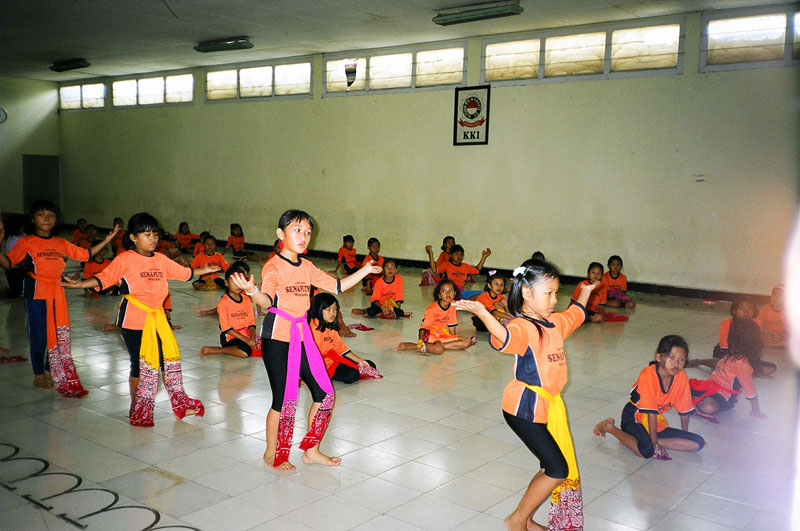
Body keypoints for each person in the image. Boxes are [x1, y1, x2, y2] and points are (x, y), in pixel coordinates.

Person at [229, 209, 382, 470]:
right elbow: (266, 300)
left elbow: (336, 286)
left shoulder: (307, 266)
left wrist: (365, 270)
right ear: (281, 234)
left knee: (325, 394)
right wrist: (252, 291)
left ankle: (311, 450)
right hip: (277, 337)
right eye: (297, 230)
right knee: (282, 399)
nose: (303, 237)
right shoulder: (274, 265)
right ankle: (270, 450)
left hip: (302, 336)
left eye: (308, 232)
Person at [454, 259, 595, 531]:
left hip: (545, 407)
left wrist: (586, 292)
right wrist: (484, 314)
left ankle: (525, 519)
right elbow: (505, 337)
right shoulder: (523, 326)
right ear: (527, 294)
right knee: (557, 469)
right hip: (524, 409)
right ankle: (517, 520)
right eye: (548, 293)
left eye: (556, 292)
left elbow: (576, 313)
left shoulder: (554, 321)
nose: (555, 299)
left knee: (549, 465)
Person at [61, 212, 219, 426]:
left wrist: (205, 269)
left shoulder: (161, 259)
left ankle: (179, 406)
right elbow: (103, 278)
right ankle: (137, 407)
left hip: (158, 319)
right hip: (133, 319)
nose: (152, 238)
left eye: (155, 234)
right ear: (133, 238)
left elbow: (185, 273)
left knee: (166, 362)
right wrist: (79, 284)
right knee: (140, 364)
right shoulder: (125, 259)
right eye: (146, 234)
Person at [0, 200, 118, 395]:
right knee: (39, 335)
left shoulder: (61, 243)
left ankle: (49, 367)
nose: (46, 218)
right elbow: (8, 262)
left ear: (56, 220)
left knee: (56, 332)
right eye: (41, 214)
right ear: (33, 219)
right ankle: (38, 373)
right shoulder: (26, 242)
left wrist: (107, 240)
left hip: (57, 294)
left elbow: (86, 255)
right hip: (36, 292)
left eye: (51, 215)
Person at [593, 335, 705, 461]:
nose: (676, 364)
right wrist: (654, 444)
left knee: (698, 443)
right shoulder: (648, 375)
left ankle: (634, 439)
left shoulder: (681, 376)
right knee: (647, 451)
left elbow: (684, 411)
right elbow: (650, 412)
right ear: (658, 357)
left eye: (681, 359)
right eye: (671, 357)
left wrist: (685, 435)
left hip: (656, 421)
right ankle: (609, 427)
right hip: (634, 417)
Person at [689, 318, 766, 422]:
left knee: (709, 407)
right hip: (709, 386)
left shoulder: (742, 364)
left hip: (724, 396)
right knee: (680, 385)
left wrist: (756, 410)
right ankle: (694, 399)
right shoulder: (732, 352)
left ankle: (694, 401)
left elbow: (750, 388)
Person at [309, 293, 381, 383]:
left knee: (369, 364)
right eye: (328, 310)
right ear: (318, 310)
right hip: (322, 366)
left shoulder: (330, 326)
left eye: (335, 309)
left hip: (334, 360)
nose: (333, 313)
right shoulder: (312, 327)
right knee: (352, 375)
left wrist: (360, 360)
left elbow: (341, 349)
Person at [398, 279, 475, 355]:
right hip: (430, 334)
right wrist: (420, 341)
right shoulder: (432, 308)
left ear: (455, 293)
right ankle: (416, 346)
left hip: (442, 334)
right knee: (438, 349)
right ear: (439, 295)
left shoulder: (453, 305)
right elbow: (423, 327)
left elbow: (452, 325)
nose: (448, 294)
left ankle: (432, 347)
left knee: (467, 342)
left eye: (450, 291)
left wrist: (452, 339)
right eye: (444, 291)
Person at [200, 266, 260, 358]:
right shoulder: (223, 302)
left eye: (239, 282)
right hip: (230, 336)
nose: (237, 285)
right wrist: (246, 340)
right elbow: (226, 328)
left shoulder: (247, 300)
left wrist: (252, 338)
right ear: (226, 283)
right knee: (244, 352)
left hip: (246, 335)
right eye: (234, 282)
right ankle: (217, 350)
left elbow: (251, 323)